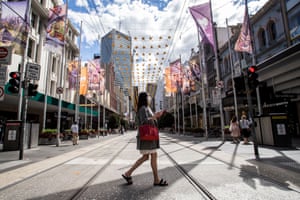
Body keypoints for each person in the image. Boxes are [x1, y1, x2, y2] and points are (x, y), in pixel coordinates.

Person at [122, 92, 168, 186]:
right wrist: (155, 116)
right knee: (150, 156)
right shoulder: (143, 108)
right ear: (144, 98)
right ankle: (155, 180)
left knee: (148, 156)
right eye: (148, 97)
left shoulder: (147, 108)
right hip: (147, 137)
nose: (149, 98)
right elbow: (144, 122)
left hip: (149, 137)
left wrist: (156, 115)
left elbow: (149, 119)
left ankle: (128, 174)